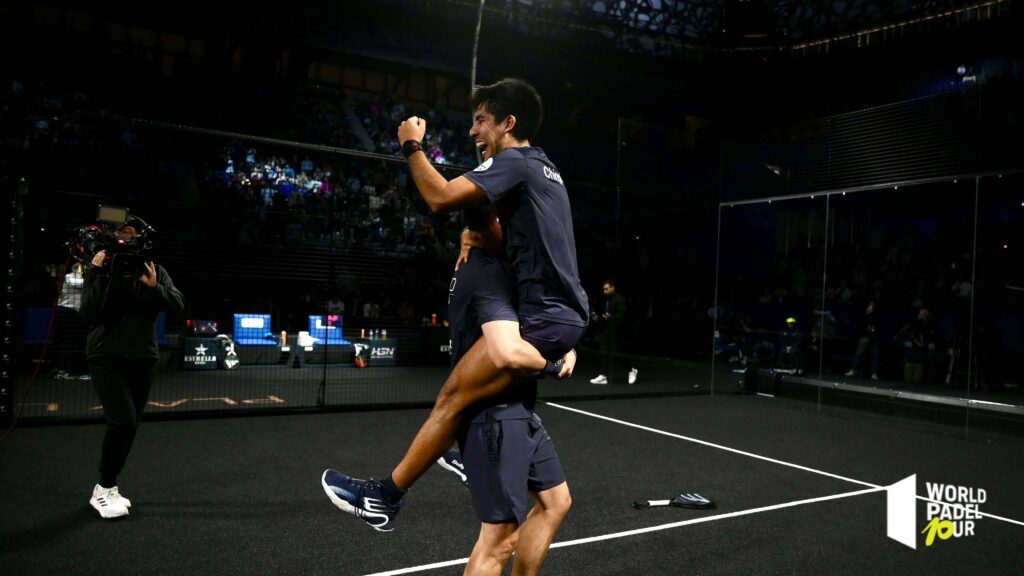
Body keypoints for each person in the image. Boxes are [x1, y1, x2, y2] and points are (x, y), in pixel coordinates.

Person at [321, 78, 589, 533]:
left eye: (481, 120)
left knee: (453, 397)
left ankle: (385, 496)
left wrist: (411, 146)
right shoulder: (545, 168)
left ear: (509, 123)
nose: (472, 131)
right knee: (547, 497)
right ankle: (465, 456)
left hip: (544, 318)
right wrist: (482, 233)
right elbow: (527, 242)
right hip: (561, 313)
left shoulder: (516, 162)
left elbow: (440, 197)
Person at [452, 207, 572, 574]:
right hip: (495, 414)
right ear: (486, 229)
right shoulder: (487, 273)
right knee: (500, 538)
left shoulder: (501, 271)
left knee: (556, 501)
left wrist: (560, 342)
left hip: (519, 409)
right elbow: (507, 352)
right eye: (501, 224)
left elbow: (527, 324)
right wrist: (552, 364)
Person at [79, 219, 185, 519]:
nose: (125, 241)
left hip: (143, 358)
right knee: (122, 422)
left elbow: (178, 302)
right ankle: (103, 487)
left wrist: (154, 288)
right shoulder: (99, 268)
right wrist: (98, 274)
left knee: (131, 426)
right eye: (120, 235)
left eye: (131, 235)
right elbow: (88, 314)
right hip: (106, 355)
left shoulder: (153, 269)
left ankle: (108, 488)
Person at [588, 279, 637, 385]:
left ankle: (631, 370)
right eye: (604, 289)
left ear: (612, 288)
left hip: (617, 330)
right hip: (606, 329)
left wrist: (611, 317)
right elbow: (602, 313)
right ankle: (603, 376)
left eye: (606, 289)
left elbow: (623, 313)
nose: (604, 291)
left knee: (616, 354)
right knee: (603, 352)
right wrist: (597, 317)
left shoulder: (619, 299)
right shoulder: (605, 299)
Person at [845, 300, 880, 380]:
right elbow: (862, 327)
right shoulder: (864, 316)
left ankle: (874, 374)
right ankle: (853, 370)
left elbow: (877, 327)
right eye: (869, 305)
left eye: (872, 306)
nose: (870, 307)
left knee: (874, 356)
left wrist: (873, 331)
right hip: (865, 337)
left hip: (874, 337)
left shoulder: (876, 316)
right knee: (858, 354)